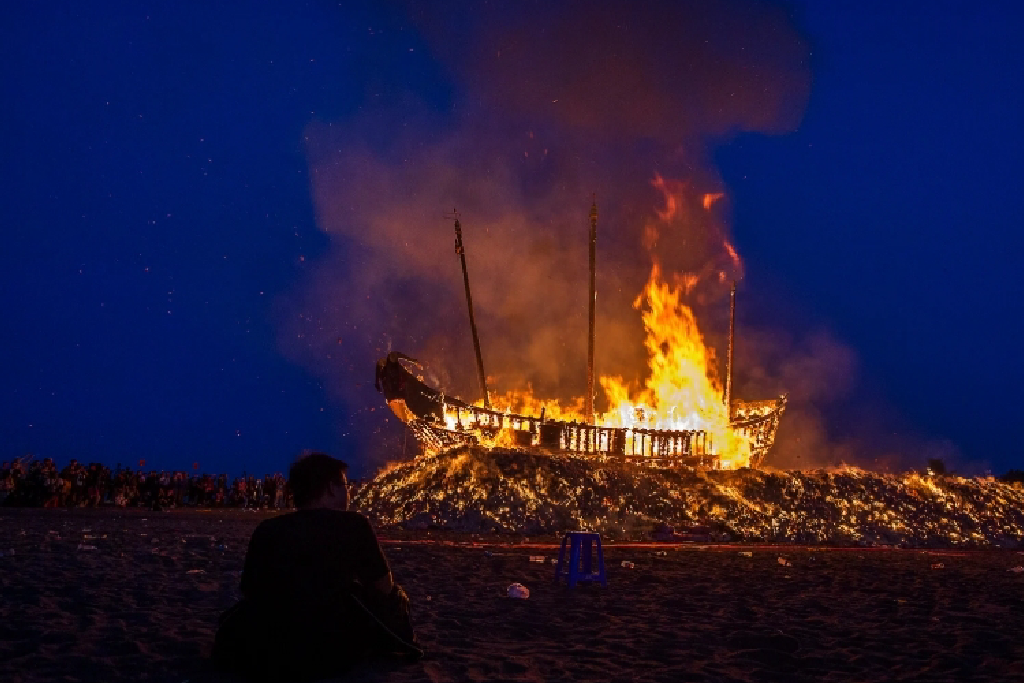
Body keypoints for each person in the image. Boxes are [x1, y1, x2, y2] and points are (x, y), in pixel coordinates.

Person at [213, 453, 419, 681]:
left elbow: (250, 590)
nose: (348, 492)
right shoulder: (353, 524)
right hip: (331, 644)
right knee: (396, 597)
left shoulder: (267, 529)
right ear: (330, 488)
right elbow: (384, 587)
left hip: (271, 644)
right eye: (345, 485)